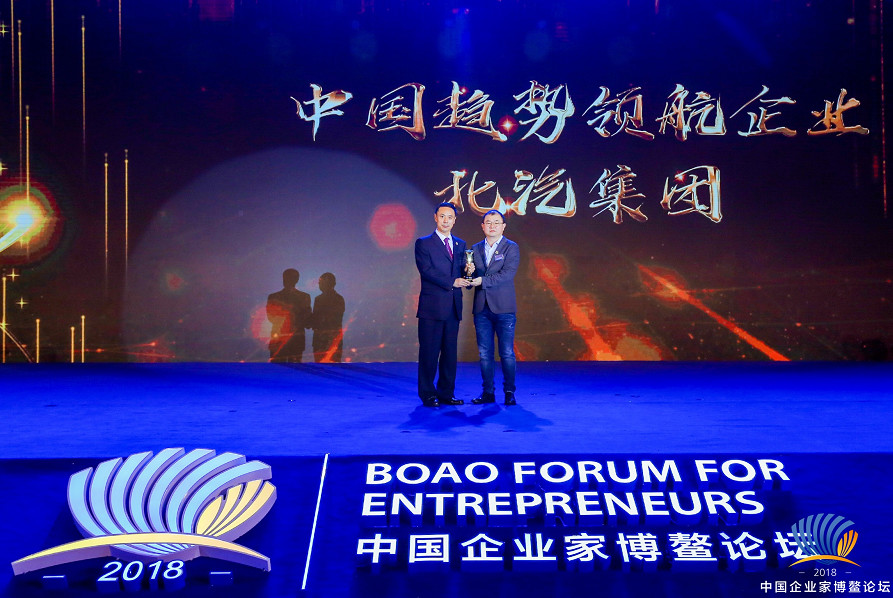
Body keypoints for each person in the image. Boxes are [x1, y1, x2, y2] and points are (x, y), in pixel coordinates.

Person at [414, 202, 471, 407]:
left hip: (453, 307)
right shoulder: (424, 243)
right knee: (429, 353)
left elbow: (462, 270)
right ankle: (428, 394)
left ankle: (447, 393)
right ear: (435, 218)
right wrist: (452, 282)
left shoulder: (460, 244)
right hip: (432, 308)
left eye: (450, 217)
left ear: (455, 220)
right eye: (442, 216)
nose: (446, 220)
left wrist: (468, 271)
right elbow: (426, 271)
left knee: (449, 353)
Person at [467, 210, 520, 405]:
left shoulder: (511, 247)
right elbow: (471, 278)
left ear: (503, 226)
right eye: (488, 222)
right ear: (482, 226)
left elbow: (507, 274)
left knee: (506, 353)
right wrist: (469, 273)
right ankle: (488, 392)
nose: (492, 226)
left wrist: (481, 280)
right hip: (482, 308)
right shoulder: (474, 249)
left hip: (504, 308)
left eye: (496, 222)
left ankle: (509, 392)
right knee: (484, 354)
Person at [266, 268, 312, 363]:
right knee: (294, 368)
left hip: (279, 338)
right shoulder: (304, 297)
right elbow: (307, 318)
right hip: (296, 339)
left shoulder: (273, 297)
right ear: (297, 280)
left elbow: (271, 317)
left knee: (278, 368)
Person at [311, 272, 346, 363]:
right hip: (329, 340)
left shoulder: (320, 299)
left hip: (326, 340)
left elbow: (318, 319)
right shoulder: (338, 298)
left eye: (321, 282)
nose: (319, 285)